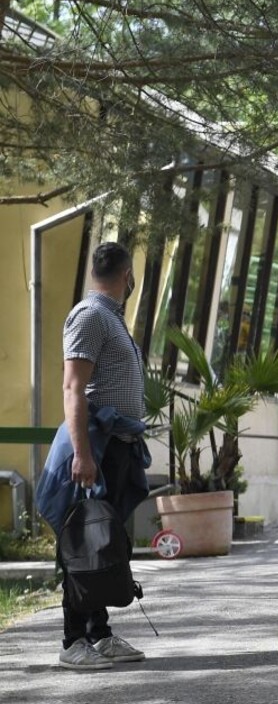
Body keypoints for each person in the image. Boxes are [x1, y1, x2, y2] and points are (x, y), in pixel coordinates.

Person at [44, 242, 150, 670]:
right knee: (83, 544)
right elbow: (73, 388)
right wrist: (83, 456)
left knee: (105, 545)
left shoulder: (110, 317)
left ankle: (100, 634)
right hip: (94, 448)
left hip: (116, 447)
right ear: (127, 276)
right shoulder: (90, 316)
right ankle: (73, 642)